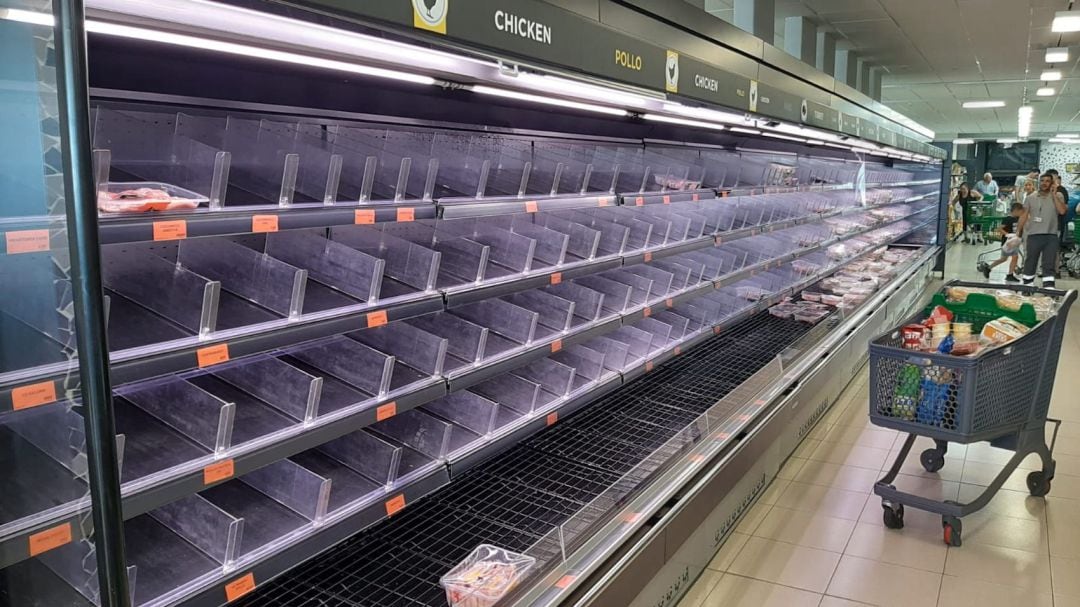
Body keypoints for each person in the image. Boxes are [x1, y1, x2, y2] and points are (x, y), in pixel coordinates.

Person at [1018, 172, 1068, 288]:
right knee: (1030, 261)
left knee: (1049, 263)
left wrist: (1054, 195)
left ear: (1052, 183)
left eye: (1047, 181)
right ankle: (1027, 286)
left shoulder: (1058, 196)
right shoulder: (1031, 197)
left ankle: (1049, 288)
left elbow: (1062, 211)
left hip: (1051, 235)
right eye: (1042, 181)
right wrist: (1018, 231)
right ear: (1039, 182)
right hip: (1033, 235)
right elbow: (1024, 215)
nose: (1044, 183)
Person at [978, 202, 1024, 281]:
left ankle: (990, 268)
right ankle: (1009, 274)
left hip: (1014, 241)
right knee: (1011, 258)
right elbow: (999, 229)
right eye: (1020, 211)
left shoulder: (1018, 218)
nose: (1022, 213)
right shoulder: (1007, 219)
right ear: (1016, 210)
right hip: (1008, 242)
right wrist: (1007, 234)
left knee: (1007, 258)